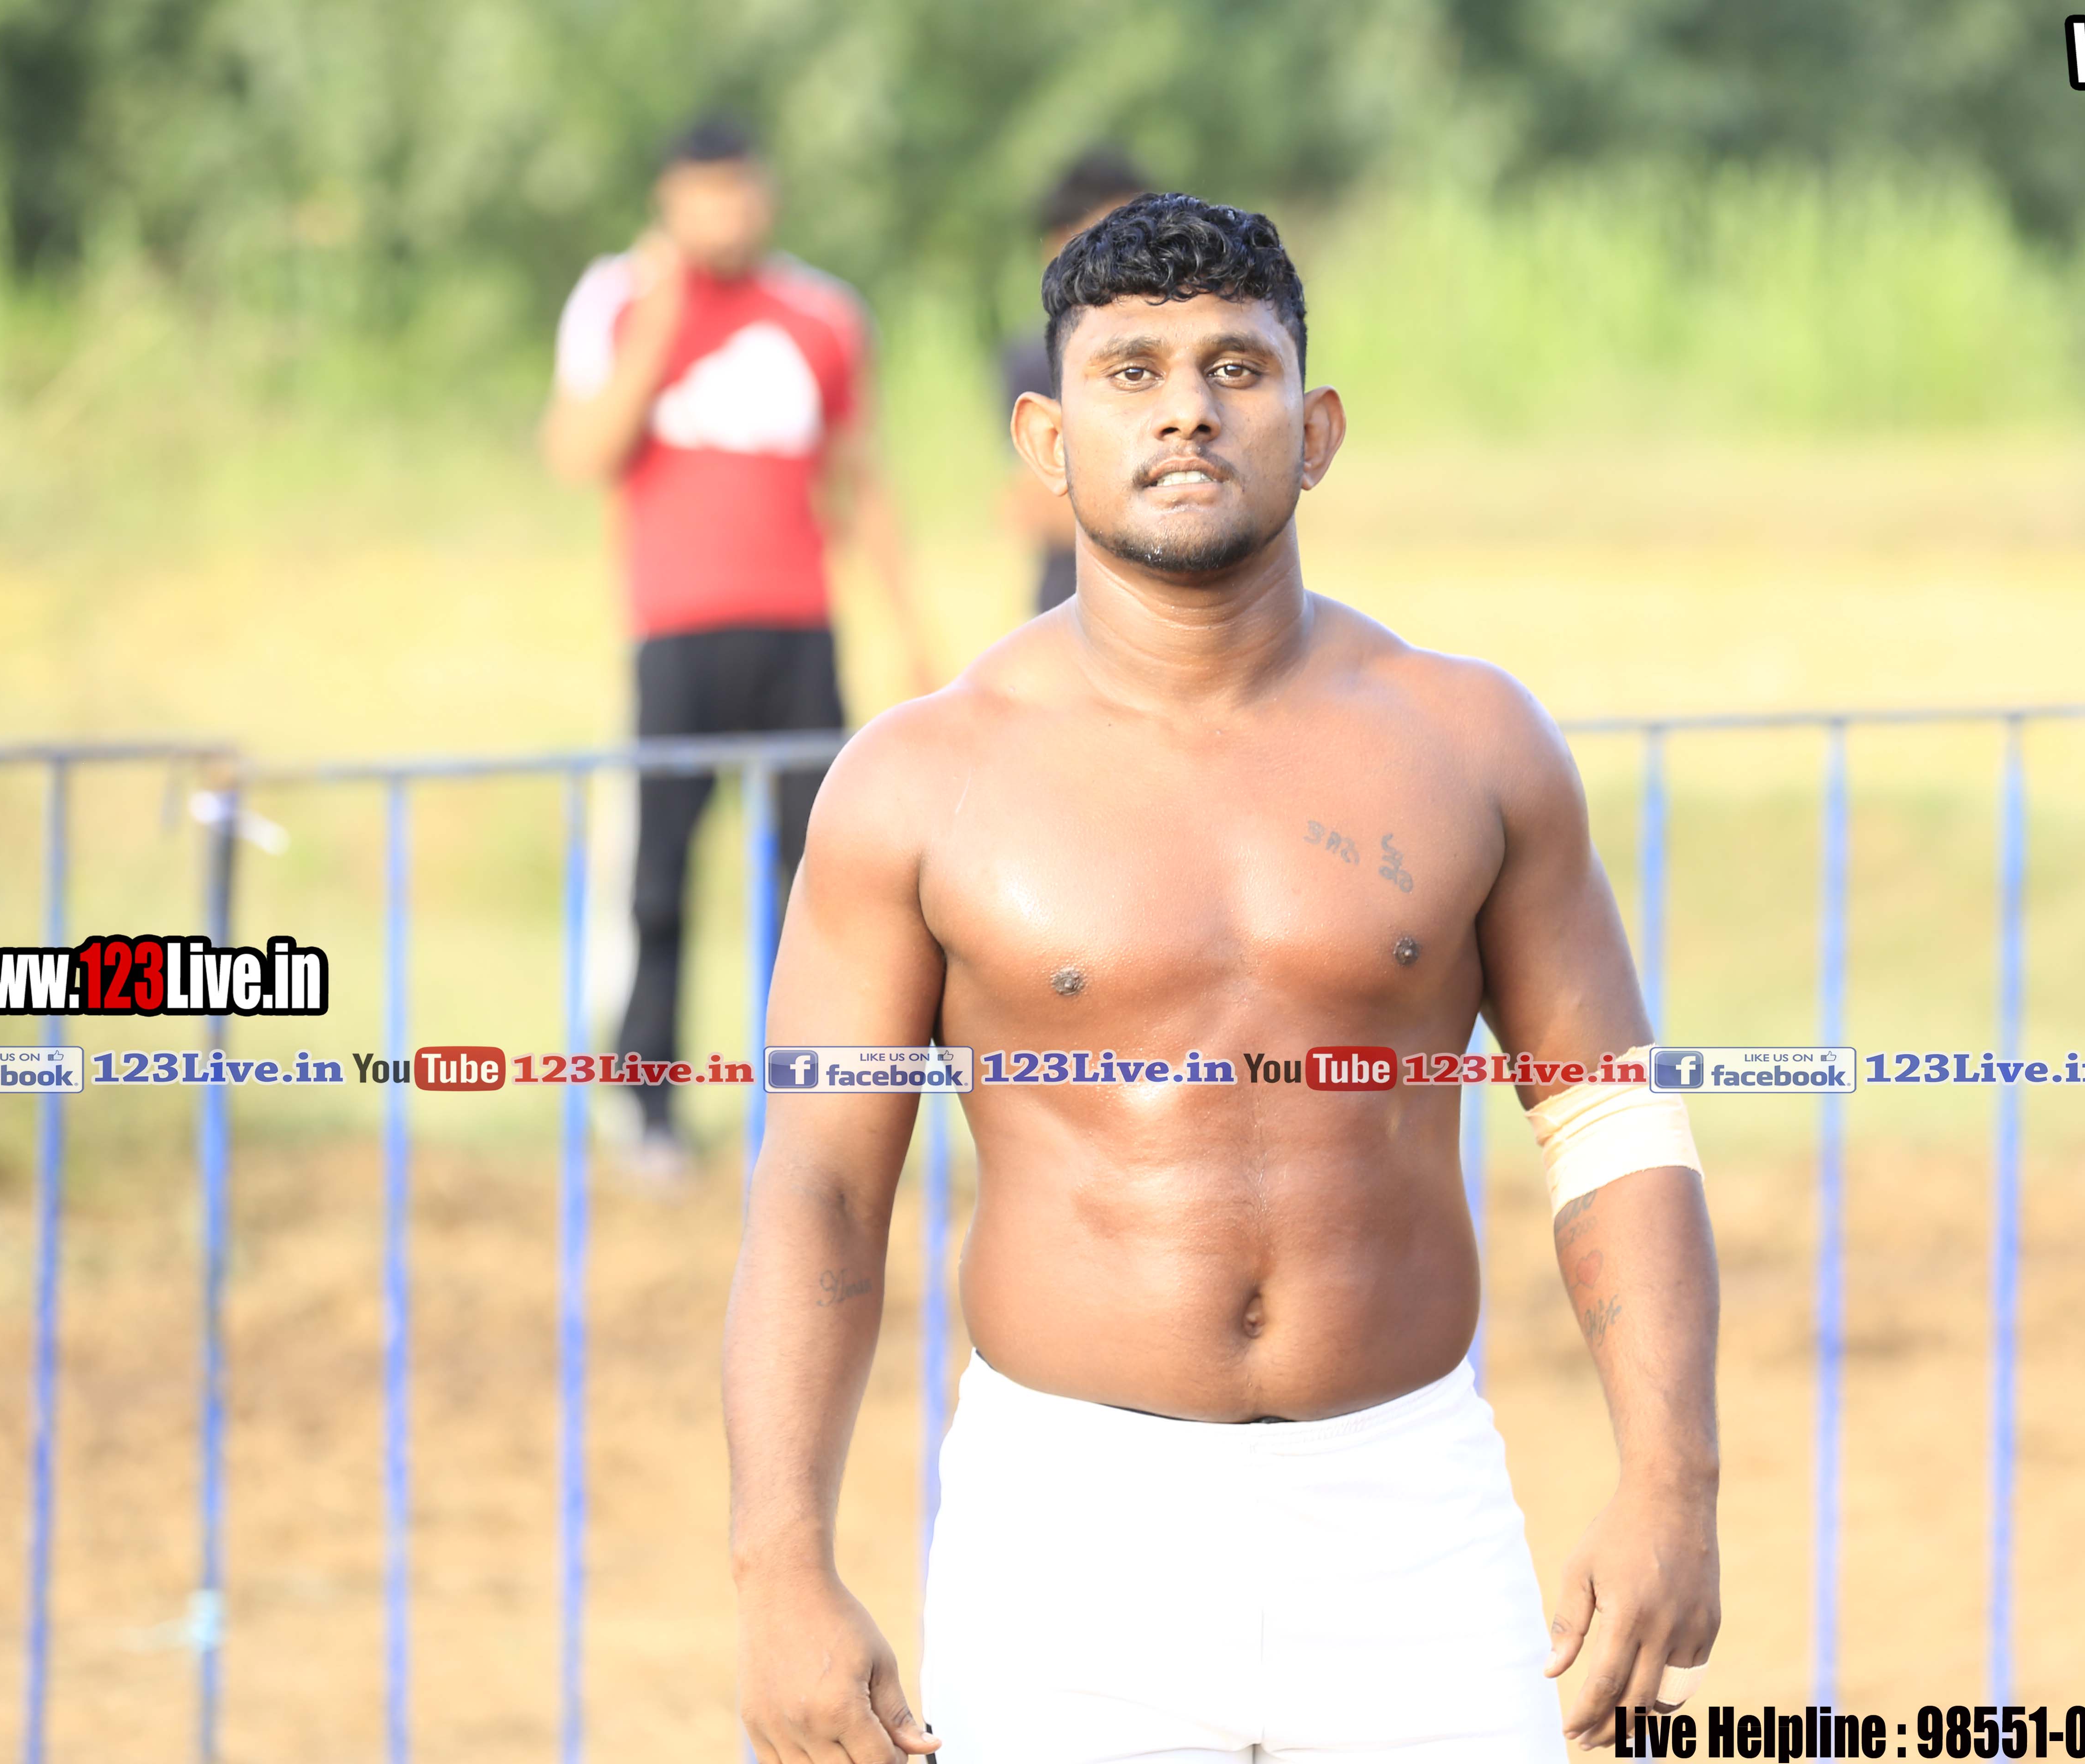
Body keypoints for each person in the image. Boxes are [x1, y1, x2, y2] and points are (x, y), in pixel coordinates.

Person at [722, 195, 1719, 1763]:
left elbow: (1611, 1126)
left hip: (1408, 1506)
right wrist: (778, 1568)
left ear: (1315, 431)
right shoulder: (921, 783)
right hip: (1066, 1531)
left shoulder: (1469, 742)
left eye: (1235, 368)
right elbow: (822, 1187)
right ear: (1047, 441)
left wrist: (1674, 1483)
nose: (1186, 408)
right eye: (1131, 372)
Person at [542, 115, 934, 1177]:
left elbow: (859, 477)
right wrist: (662, 319)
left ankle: (812, 1103)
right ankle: (646, 1102)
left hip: (797, 629)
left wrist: (909, 631)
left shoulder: (822, 313)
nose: (725, 213)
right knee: (659, 877)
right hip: (674, 631)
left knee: (824, 878)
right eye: (703, 194)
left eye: (740, 190)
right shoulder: (616, 300)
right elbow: (579, 452)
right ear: (670, 200)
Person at [999, 150, 1149, 614]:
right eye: (1107, 240)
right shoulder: (1037, 359)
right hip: (1076, 604)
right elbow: (1035, 505)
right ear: (1057, 247)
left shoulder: (1189, 343)